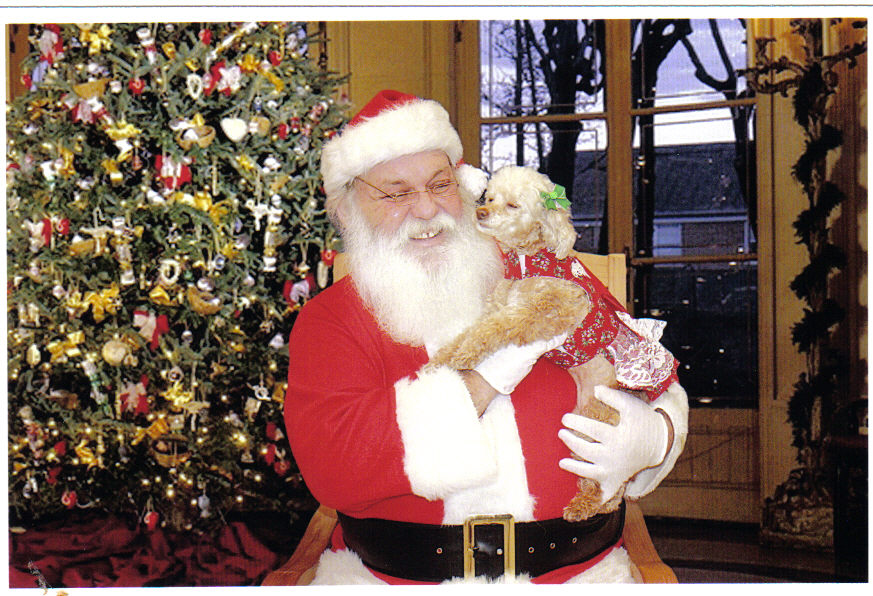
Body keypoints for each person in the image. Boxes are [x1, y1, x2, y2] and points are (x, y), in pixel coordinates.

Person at [283, 89, 688, 584]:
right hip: (397, 583)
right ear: (347, 210)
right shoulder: (331, 318)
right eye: (396, 193)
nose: (426, 208)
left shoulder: (544, 268)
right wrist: (484, 378)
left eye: (441, 184)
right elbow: (335, 468)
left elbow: (642, 358)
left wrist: (656, 436)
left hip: (583, 576)